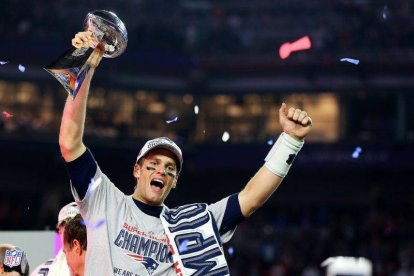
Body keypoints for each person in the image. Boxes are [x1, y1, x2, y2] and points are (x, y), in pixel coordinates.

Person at [59, 30, 313, 275]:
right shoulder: (105, 201)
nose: (161, 171)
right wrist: (85, 68)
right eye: (153, 164)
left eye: (170, 169)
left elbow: (251, 199)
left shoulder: (190, 227)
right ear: (137, 170)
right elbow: (70, 143)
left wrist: (290, 141)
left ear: (175, 181)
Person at [31, 202, 80, 276]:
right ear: (60, 232)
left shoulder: (99, 265)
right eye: (68, 228)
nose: (73, 231)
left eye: (78, 226)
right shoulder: (42, 272)